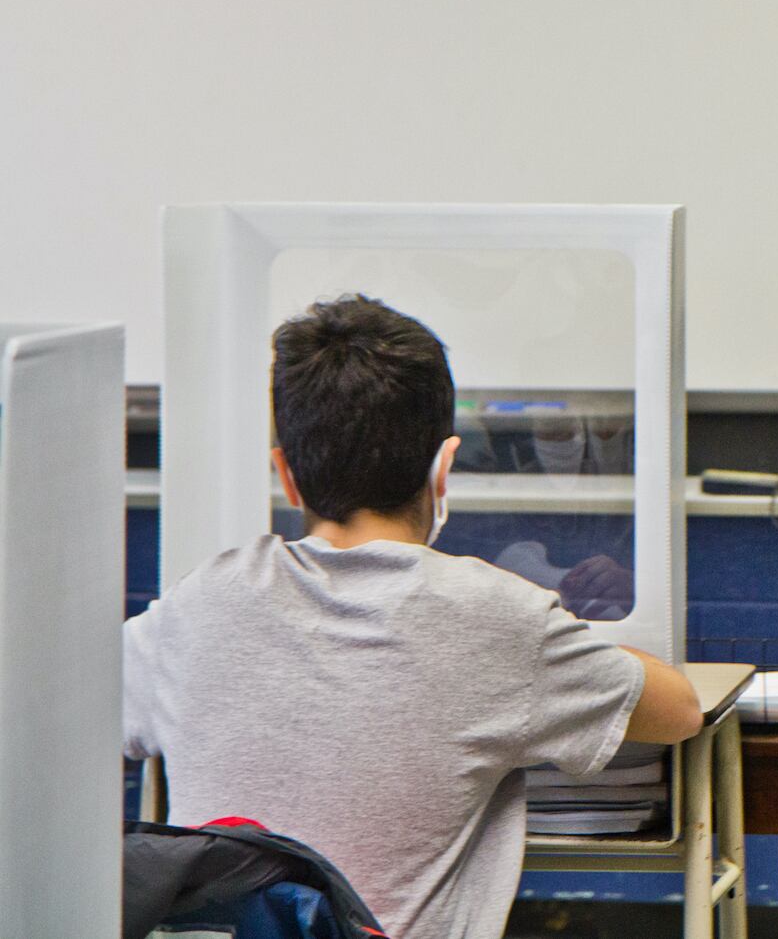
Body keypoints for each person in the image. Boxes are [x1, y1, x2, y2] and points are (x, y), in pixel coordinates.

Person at [123, 295, 702, 939]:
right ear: (442, 468)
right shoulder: (498, 617)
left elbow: (67, 720)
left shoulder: (197, 604)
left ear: (285, 473)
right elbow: (679, 711)